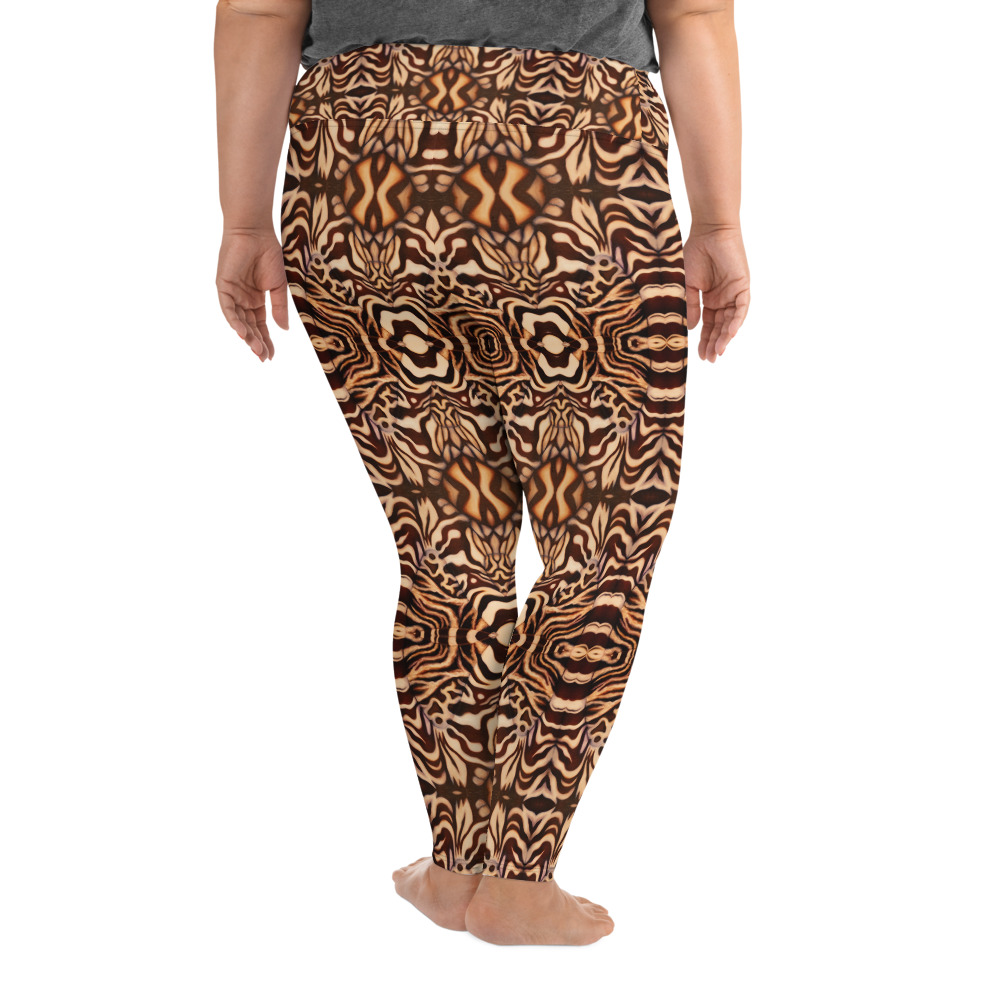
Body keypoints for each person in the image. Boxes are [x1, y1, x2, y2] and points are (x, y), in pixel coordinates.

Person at [214, 0, 749, 946]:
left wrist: (244, 218)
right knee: (601, 547)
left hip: (360, 168)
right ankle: (519, 878)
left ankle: (458, 857)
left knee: (446, 541)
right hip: (571, 166)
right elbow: (693, 9)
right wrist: (718, 217)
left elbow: (260, 8)